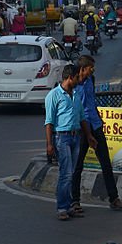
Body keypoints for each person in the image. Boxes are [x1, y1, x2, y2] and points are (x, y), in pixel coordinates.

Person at [71, 55, 122, 212]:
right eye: (91, 68)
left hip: (95, 125)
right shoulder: (74, 84)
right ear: (83, 69)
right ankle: (75, 200)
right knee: (77, 166)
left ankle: (114, 198)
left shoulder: (91, 80)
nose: (93, 71)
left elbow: (92, 101)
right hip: (82, 128)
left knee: (105, 163)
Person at [44, 63, 96, 221]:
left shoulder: (76, 95)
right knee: (65, 174)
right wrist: (49, 144)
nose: (78, 80)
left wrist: (89, 136)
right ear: (69, 78)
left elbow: (82, 118)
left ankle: (69, 205)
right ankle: (62, 207)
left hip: (76, 137)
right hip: (62, 137)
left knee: (72, 173)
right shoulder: (53, 95)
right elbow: (49, 122)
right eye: (76, 77)